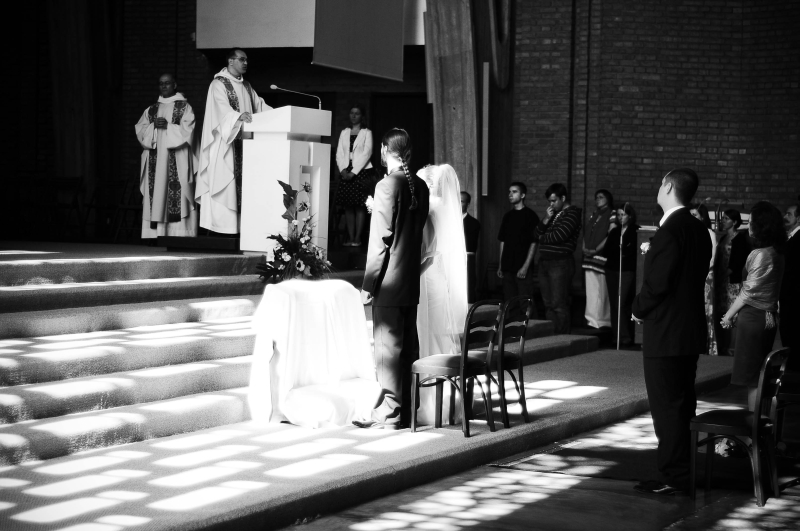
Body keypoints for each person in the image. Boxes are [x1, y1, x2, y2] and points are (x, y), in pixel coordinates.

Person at [631, 168, 711, 496]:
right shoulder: (699, 229)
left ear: (667, 187)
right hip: (688, 330)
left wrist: (638, 309)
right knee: (682, 404)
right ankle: (681, 470)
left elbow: (658, 284)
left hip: (666, 332)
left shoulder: (670, 231)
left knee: (667, 408)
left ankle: (673, 476)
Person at [355, 128, 430, 430]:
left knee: (387, 352)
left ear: (385, 150)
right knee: (408, 348)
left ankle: (389, 413)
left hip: (387, 283)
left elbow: (380, 242)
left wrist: (368, 284)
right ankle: (408, 409)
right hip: (409, 281)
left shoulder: (387, 185)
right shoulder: (420, 186)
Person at [196, 48, 271, 234]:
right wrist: (238, 116)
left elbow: (260, 106)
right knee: (225, 184)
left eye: (246, 60)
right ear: (230, 61)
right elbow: (221, 109)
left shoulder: (246, 86)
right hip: (225, 144)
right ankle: (221, 230)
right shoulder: (218, 84)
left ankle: (240, 230)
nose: (246, 63)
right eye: (241, 59)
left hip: (245, 146)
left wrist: (282, 112)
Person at [415, 164, 469, 423]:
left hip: (426, 276)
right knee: (435, 336)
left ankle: (427, 402)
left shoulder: (429, 208)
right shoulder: (445, 208)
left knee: (425, 336)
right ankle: (446, 402)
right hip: (438, 279)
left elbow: (426, 251)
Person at [721, 201, 786, 410]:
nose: (748, 226)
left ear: (761, 226)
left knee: (753, 378)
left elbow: (748, 292)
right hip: (768, 317)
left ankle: (755, 425)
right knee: (760, 375)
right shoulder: (777, 252)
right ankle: (762, 422)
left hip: (753, 318)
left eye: (751, 222)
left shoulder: (761, 254)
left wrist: (728, 315)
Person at [134, 73, 198, 239]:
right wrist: (153, 127)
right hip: (155, 161)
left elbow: (188, 132)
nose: (163, 86)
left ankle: (179, 234)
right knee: (156, 191)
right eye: (161, 83)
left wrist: (168, 126)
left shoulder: (184, 107)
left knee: (177, 193)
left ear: (174, 85)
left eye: (167, 83)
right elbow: (141, 131)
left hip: (177, 159)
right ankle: (156, 234)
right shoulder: (151, 109)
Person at [535, 183, 582, 334]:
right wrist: (546, 219)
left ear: (563, 198)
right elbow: (535, 233)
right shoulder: (553, 214)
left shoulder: (572, 213)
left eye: (554, 201)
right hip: (544, 262)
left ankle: (562, 337)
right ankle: (552, 337)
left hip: (560, 263)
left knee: (559, 304)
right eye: (549, 201)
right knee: (548, 304)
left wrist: (542, 238)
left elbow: (560, 236)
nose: (551, 204)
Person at [335, 104, 375, 247]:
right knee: (348, 206)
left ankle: (357, 238)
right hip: (345, 171)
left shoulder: (366, 132)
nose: (353, 115)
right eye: (351, 113)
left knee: (359, 206)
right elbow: (340, 153)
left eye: (357, 113)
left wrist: (354, 172)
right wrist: (343, 170)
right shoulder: (344, 132)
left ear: (362, 116)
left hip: (361, 171)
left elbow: (367, 153)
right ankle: (351, 238)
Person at [715, 208, 752, 356]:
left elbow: (737, 263)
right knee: (722, 312)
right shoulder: (724, 238)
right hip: (721, 282)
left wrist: (724, 275)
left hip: (732, 282)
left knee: (733, 313)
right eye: (723, 218)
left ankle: (732, 347)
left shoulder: (740, 239)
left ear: (735, 222)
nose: (723, 221)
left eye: (726, 218)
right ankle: (723, 345)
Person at [603, 203, 638, 348]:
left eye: (623, 214)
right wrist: (619, 250)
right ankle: (616, 335)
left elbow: (633, 251)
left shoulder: (635, 230)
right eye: (618, 215)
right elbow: (606, 250)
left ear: (629, 216)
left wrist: (622, 250)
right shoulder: (615, 231)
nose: (620, 217)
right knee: (614, 303)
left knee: (621, 303)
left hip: (626, 270)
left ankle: (626, 336)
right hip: (612, 269)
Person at [497, 182, 539, 301]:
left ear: (523, 195)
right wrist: (501, 265)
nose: (510, 194)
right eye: (509, 192)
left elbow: (534, 243)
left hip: (522, 267)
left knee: (525, 302)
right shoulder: (507, 216)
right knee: (509, 303)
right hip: (507, 267)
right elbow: (503, 241)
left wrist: (525, 266)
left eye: (514, 192)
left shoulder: (531, 216)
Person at [582, 189, 614, 329]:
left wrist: (596, 249)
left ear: (608, 199)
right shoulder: (594, 214)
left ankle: (601, 321)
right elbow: (586, 232)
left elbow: (610, 235)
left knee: (601, 292)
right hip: (589, 257)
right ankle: (591, 320)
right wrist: (584, 247)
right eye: (596, 197)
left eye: (601, 197)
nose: (598, 199)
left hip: (601, 256)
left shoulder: (612, 214)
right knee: (591, 291)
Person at [690, 203, 719, 355]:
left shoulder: (709, 233)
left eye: (695, 215)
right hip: (691, 277)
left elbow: (712, 259)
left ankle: (709, 346)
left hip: (705, 276)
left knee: (706, 311)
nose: (692, 218)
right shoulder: (689, 231)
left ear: (702, 217)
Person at [780, 203, 799, 355]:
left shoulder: (798, 239)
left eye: (789, 214)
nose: (785, 217)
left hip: (793, 294)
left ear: (798, 218)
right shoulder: (790, 236)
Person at [461, 191, 481, 302]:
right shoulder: (448, 221)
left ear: (468, 204)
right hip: (449, 259)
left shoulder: (474, 223)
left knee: (468, 288)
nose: (458, 204)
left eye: (462, 201)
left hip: (467, 259)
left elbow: (470, 245)